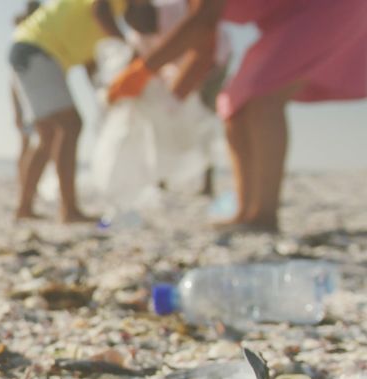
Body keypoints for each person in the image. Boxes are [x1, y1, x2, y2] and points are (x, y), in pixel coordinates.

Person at [109, 0, 367, 232]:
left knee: (263, 98)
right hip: (286, 19)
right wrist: (169, 101)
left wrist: (143, 70)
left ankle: (264, 215)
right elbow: (204, 47)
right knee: (233, 104)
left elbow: (203, 22)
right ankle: (246, 211)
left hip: (325, 8)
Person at [9, 0, 155, 223]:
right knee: (70, 125)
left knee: (48, 135)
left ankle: (24, 207)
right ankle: (68, 210)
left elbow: (91, 67)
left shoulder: (100, 28)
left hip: (28, 49)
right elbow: (100, 10)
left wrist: (106, 97)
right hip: (36, 49)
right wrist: (127, 49)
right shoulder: (112, 8)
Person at [123, 0, 231, 195]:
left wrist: (184, 90)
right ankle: (161, 178)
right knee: (161, 119)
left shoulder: (178, 12)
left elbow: (205, 43)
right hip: (175, 69)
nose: (145, 32)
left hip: (214, 61)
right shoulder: (138, 31)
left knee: (204, 119)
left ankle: (207, 181)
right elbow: (138, 62)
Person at [10, 1, 43, 191]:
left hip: (31, 94)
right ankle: (24, 184)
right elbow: (13, 82)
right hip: (27, 95)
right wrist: (16, 109)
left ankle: (26, 184)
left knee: (29, 142)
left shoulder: (25, 36)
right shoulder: (26, 39)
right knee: (30, 141)